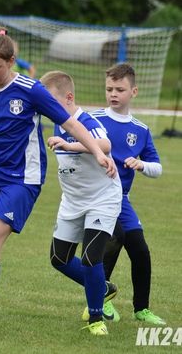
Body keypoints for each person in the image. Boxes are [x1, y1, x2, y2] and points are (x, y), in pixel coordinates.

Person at [0, 26, 117, 341]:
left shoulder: (30, 90)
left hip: (22, 180)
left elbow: (70, 122)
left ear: (12, 61)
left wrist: (96, 150)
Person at [83, 63, 166, 325]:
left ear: (134, 92)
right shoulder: (93, 120)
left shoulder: (140, 129)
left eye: (120, 89)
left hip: (121, 200)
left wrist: (141, 164)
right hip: (97, 197)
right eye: (109, 89)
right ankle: (97, 304)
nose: (113, 94)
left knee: (140, 250)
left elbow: (158, 167)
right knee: (111, 242)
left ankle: (141, 309)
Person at [41, 71, 122, 336]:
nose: (47, 105)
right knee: (58, 258)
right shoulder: (56, 121)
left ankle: (96, 319)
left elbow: (105, 143)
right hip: (73, 202)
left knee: (90, 258)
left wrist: (69, 144)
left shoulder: (84, 120)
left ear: (69, 97)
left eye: (51, 99)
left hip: (102, 199)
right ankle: (103, 288)